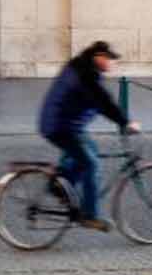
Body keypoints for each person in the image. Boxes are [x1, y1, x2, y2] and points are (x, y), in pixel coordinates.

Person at [37, 41, 140, 230]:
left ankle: (61, 184)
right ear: (98, 57)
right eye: (108, 59)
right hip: (60, 126)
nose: (110, 63)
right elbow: (104, 102)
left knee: (86, 152)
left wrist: (119, 120)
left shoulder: (83, 69)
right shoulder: (85, 76)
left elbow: (101, 101)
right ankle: (89, 215)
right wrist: (125, 122)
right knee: (91, 164)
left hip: (66, 123)